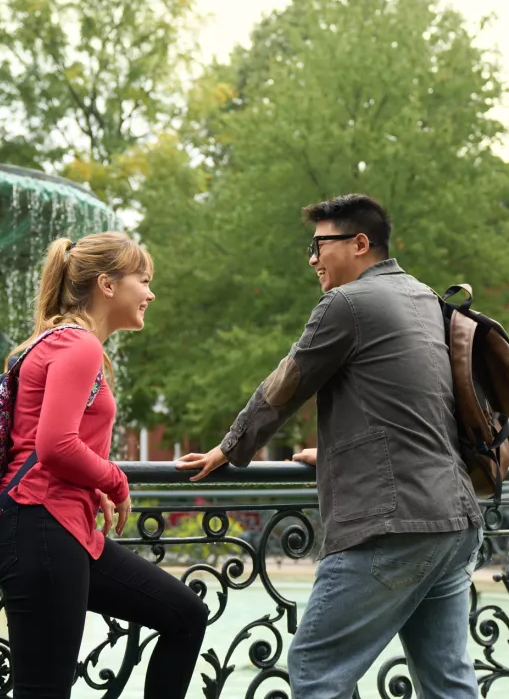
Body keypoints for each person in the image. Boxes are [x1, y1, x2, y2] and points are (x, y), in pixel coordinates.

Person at [177, 194, 484, 698]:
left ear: (360, 244)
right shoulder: (426, 298)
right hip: (455, 520)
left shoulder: (347, 303)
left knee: (318, 667)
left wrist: (229, 449)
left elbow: (286, 384)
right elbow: (420, 407)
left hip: (393, 521)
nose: (313, 258)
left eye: (320, 245)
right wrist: (344, 449)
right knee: (448, 681)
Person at [0, 232, 208, 699]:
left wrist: (93, 484)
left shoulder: (59, 341)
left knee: (185, 615)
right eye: (142, 280)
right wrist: (115, 479)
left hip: (60, 529)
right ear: (107, 285)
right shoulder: (78, 344)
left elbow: (53, 443)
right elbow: (54, 445)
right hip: (41, 525)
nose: (150, 293)